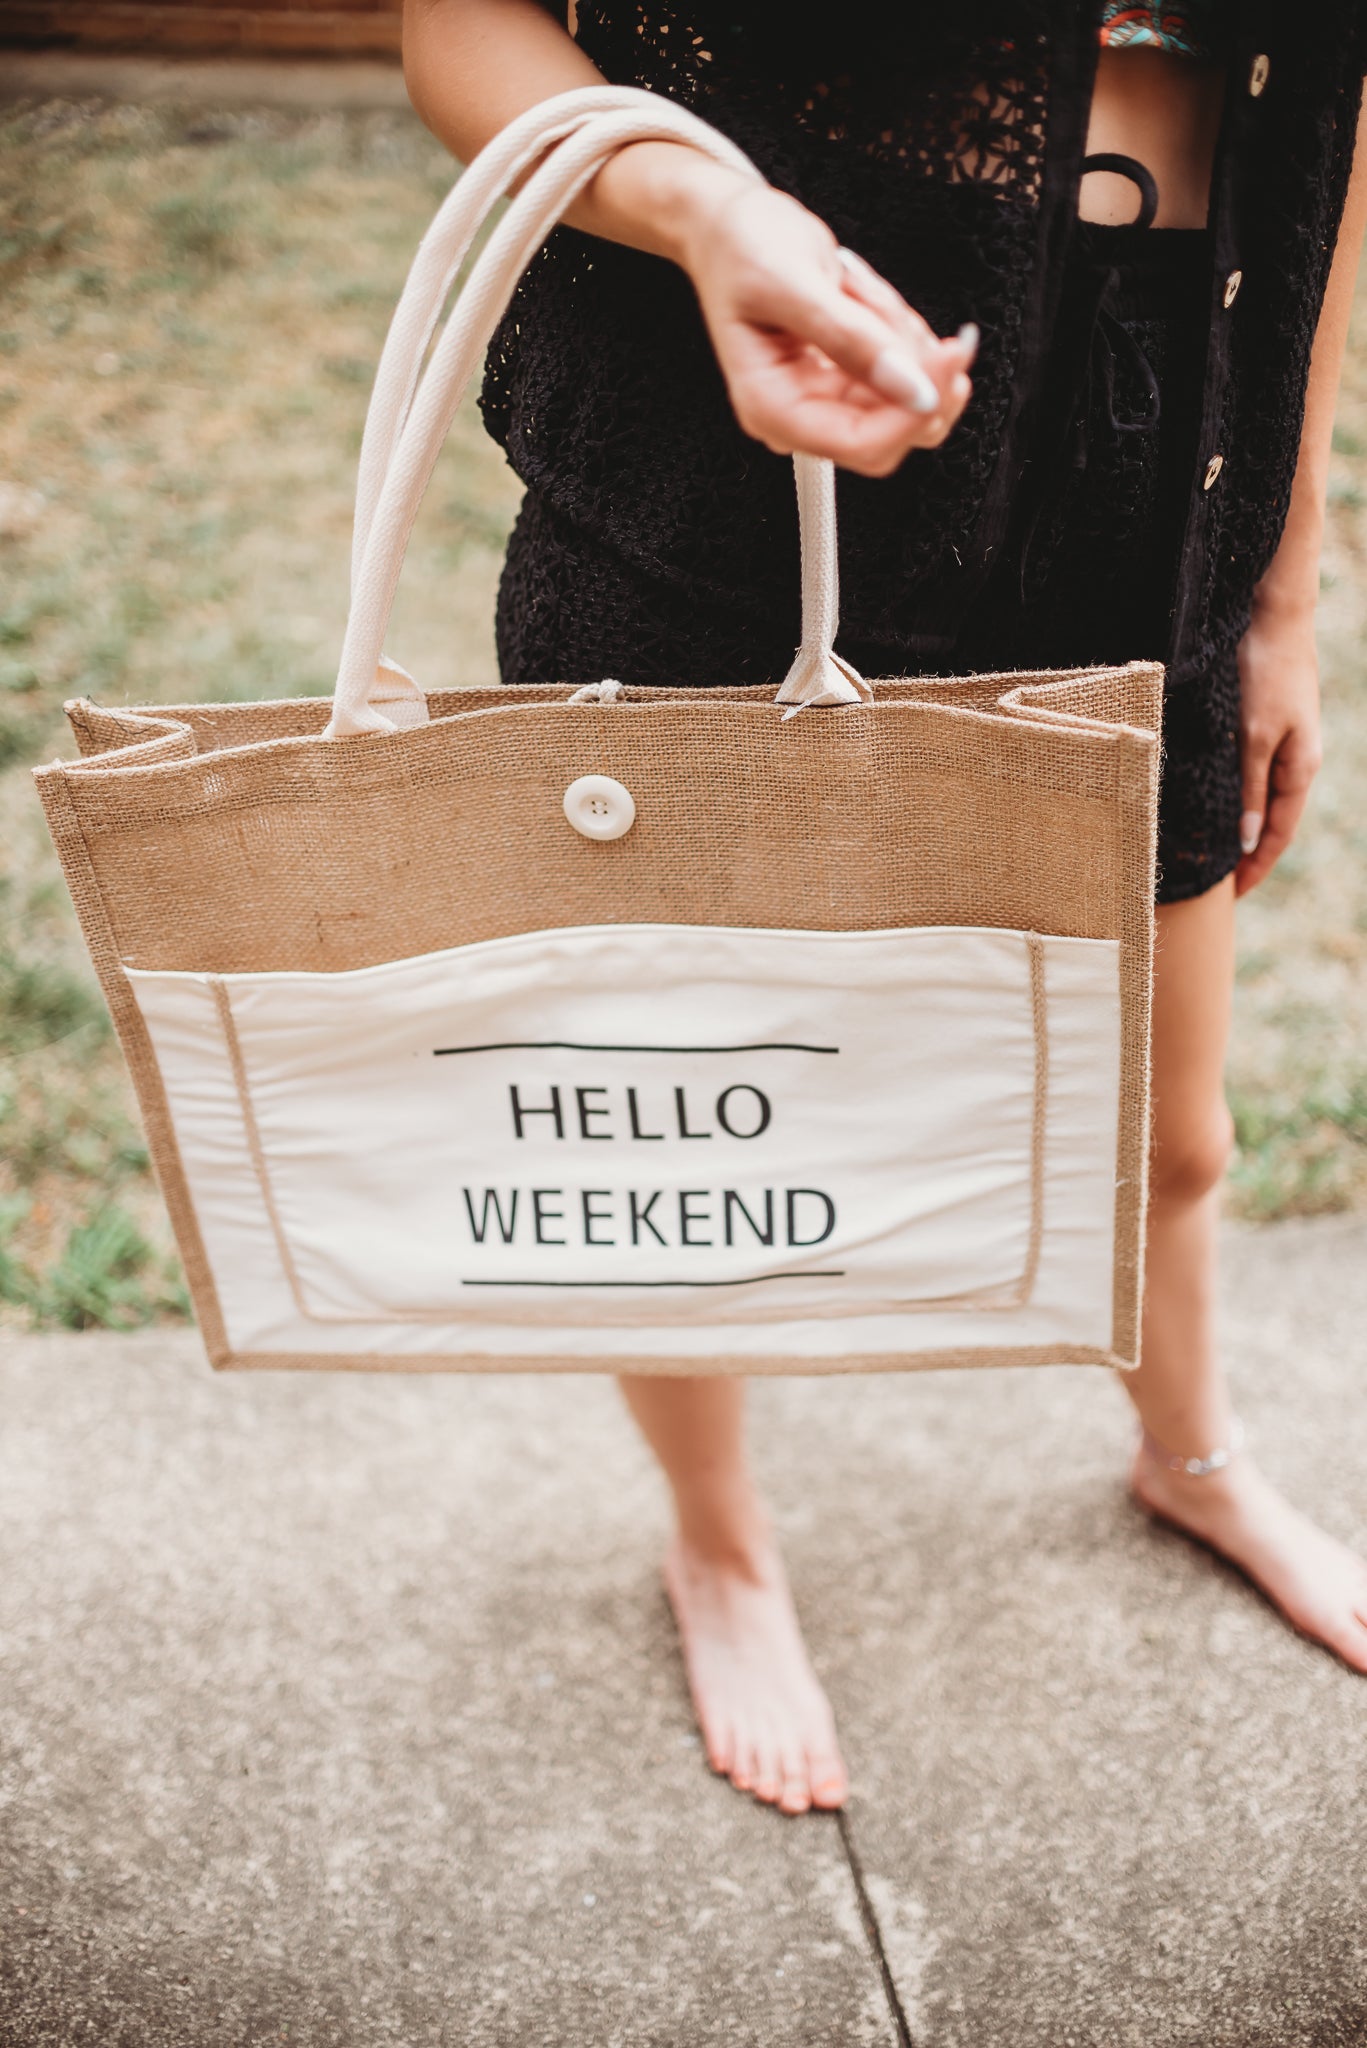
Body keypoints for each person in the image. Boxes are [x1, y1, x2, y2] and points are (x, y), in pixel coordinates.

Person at [404, 0, 1367, 1814]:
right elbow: (460, 29)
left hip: (1162, 459)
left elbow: (1325, 128)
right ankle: (720, 1541)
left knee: (1164, 1133)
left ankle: (1193, 1453)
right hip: (722, 440)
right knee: (671, 1131)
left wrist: (1283, 579)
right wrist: (699, 207)